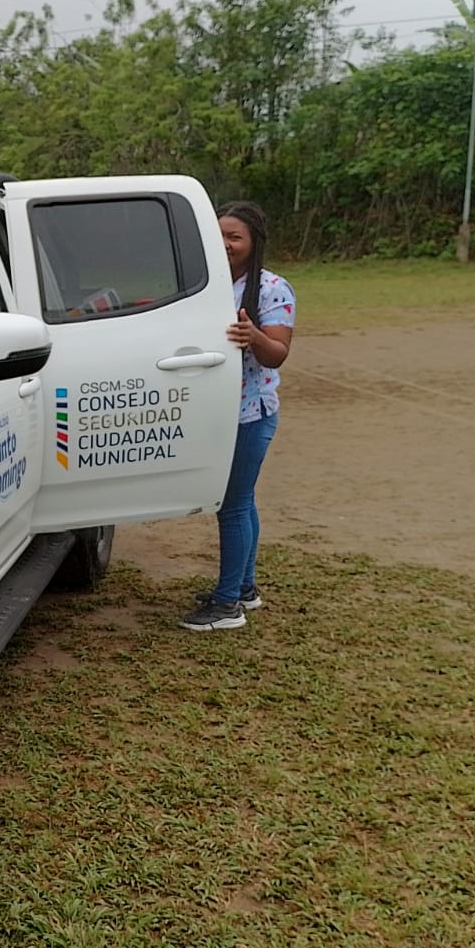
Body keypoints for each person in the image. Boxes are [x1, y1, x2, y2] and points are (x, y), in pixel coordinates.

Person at [181, 201, 295, 632]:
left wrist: (255, 337)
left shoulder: (272, 289)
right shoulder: (207, 283)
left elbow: (277, 355)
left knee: (231, 506)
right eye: (219, 235)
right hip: (219, 410)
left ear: (254, 242)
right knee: (242, 501)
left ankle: (227, 605)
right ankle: (244, 588)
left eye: (235, 237)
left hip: (250, 414)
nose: (225, 244)